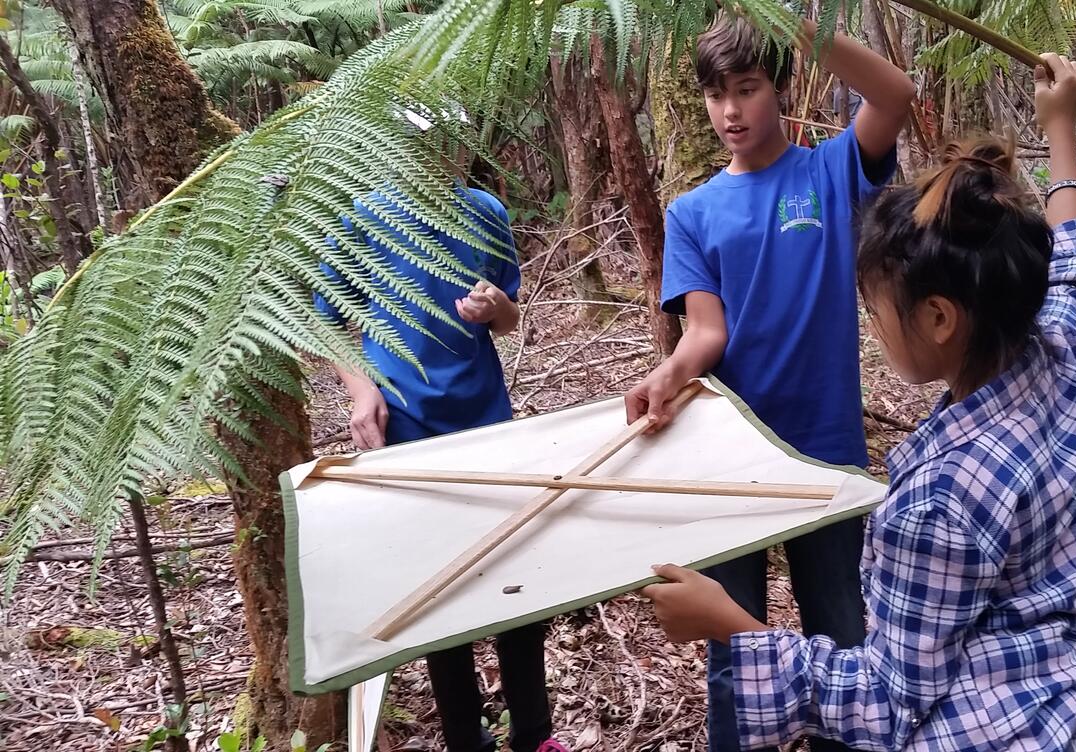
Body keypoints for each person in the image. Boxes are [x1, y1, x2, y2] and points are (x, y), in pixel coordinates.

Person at [642, 55, 1076, 750]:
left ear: (937, 319)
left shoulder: (934, 502)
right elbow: (1075, 260)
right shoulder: (1062, 361)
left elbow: (883, 700)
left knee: (840, 616)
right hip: (1066, 721)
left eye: (877, 307)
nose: (871, 321)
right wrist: (1062, 128)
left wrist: (729, 625)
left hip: (975, 730)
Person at [622, 12, 915, 752]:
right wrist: (668, 373)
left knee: (842, 634)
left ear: (778, 88)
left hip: (825, 451)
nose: (730, 111)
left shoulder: (827, 172)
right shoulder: (692, 212)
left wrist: (797, 25)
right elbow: (707, 333)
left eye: (747, 89)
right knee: (733, 651)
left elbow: (896, 95)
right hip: (730, 458)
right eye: (716, 95)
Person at [314, 182, 567, 752]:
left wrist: (496, 309)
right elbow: (324, 324)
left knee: (514, 576)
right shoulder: (360, 214)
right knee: (435, 585)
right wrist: (360, 389)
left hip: (488, 424)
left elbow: (508, 317)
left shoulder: (484, 211)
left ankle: (533, 732)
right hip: (407, 427)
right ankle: (463, 735)